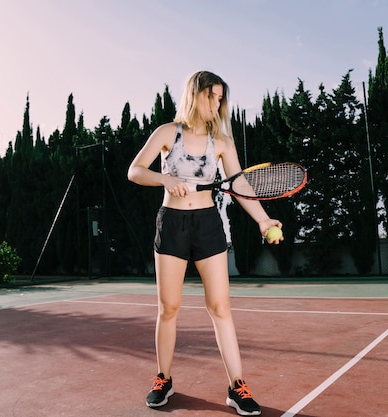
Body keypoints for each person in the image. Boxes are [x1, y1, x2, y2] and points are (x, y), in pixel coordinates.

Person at [127, 70, 283, 416]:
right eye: (212, 95)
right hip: (171, 225)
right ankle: (163, 378)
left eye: (220, 98)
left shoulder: (223, 142)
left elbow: (240, 185)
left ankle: (236, 386)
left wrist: (262, 219)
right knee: (168, 309)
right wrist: (164, 179)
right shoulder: (167, 133)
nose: (217, 102)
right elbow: (135, 171)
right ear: (194, 94)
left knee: (220, 307)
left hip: (208, 226)